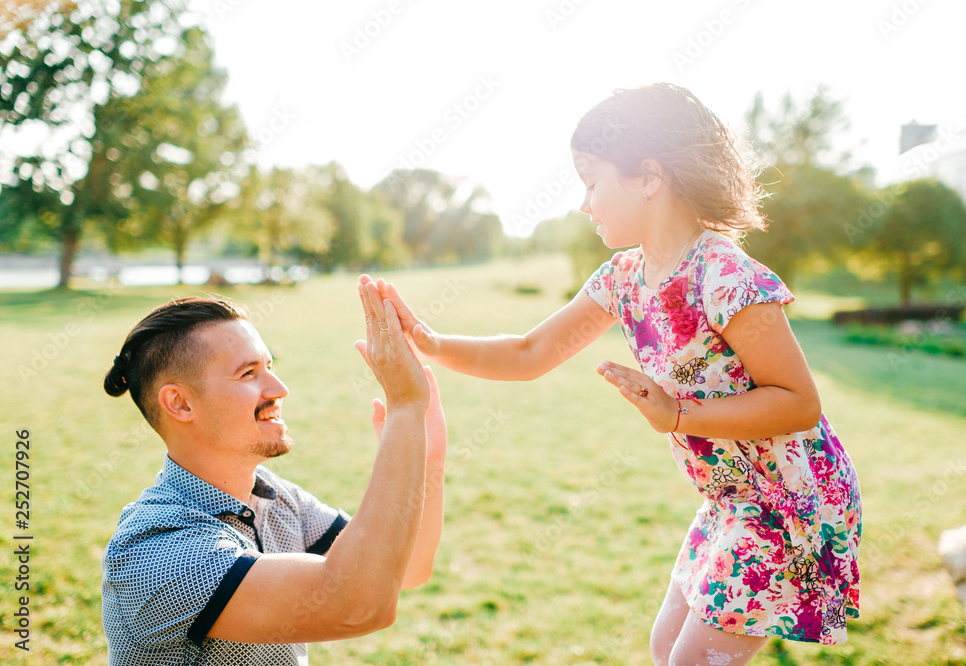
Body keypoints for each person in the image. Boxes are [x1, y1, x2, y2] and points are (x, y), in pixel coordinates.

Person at [367, 83, 862, 664]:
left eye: (592, 183)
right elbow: (530, 353)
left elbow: (798, 402)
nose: (584, 204)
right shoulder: (622, 278)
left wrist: (676, 414)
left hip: (793, 497)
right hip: (731, 498)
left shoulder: (722, 272)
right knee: (665, 647)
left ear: (649, 177)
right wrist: (430, 343)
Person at [100, 287, 445, 665]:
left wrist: (427, 458)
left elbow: (406, 570)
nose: (280, 389)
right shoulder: (154, 548)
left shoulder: (275, 496)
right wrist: (404, 408)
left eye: (270, 367)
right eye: (248, 373)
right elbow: (357, 605)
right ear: (180, 403)